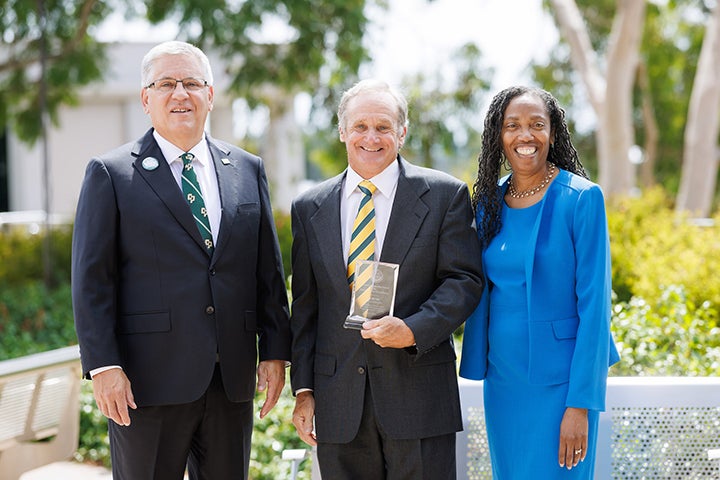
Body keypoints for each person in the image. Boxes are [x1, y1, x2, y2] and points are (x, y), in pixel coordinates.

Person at [71, 41, 291, 480]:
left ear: (210, 95)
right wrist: (104, 365)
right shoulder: (111, 174)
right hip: (145, 384)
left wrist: (275, 350)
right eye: (166, 84)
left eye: (192, 83)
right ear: (145, 98)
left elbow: (267, 271)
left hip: (229, 380)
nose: (180, 94)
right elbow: (92, 280)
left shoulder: (247, 169)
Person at [289, 79, 484, 479]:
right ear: (343, 132)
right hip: (338, 402)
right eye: (360, 126)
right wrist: (304, 390)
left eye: (383, 126)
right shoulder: (310, 207)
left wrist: (413, 329)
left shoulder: (445, 196)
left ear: (402, 132)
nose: (371, 137)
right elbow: (307, 306)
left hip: (419, 397)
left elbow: (464, 281)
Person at [459, 86, 620, 478]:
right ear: (499, 136)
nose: (524, 135)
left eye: (536, 125)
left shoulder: (582, 199)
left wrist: (580, 404)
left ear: (553, 133)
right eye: (512, 126)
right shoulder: (487, 205)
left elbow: (595, 308)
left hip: (562, 386)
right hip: (504, 382)